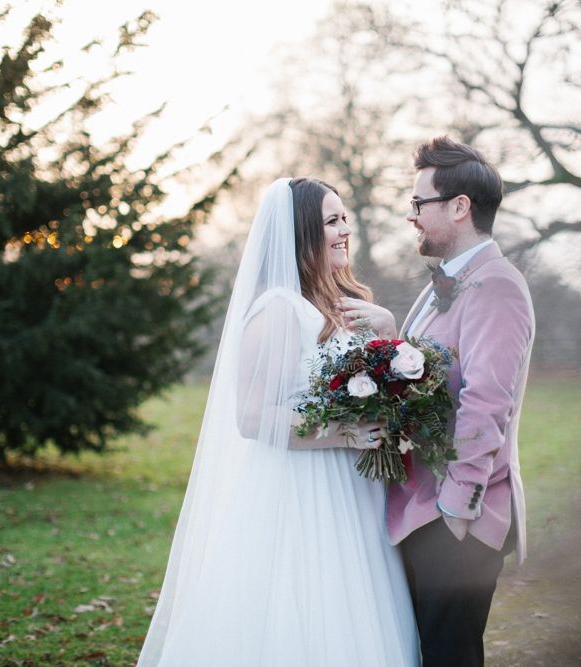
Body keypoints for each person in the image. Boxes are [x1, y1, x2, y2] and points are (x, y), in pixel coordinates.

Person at [137, 177, 419, 666]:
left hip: (353, 494)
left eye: (344, 218)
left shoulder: (343, 304)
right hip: (302, 491)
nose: (345, 230)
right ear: (302, 234)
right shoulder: (279, 311)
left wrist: (388, 328)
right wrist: (344, 432)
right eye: (332, 221)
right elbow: (251, 416)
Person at [387, 136, 535, 667]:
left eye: (418, 203)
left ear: (459, 207)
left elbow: (486, 404)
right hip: (422, 512)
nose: (412, 216)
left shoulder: (497, 286)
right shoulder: (440, 287)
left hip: (458, 520)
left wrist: (455, 512)